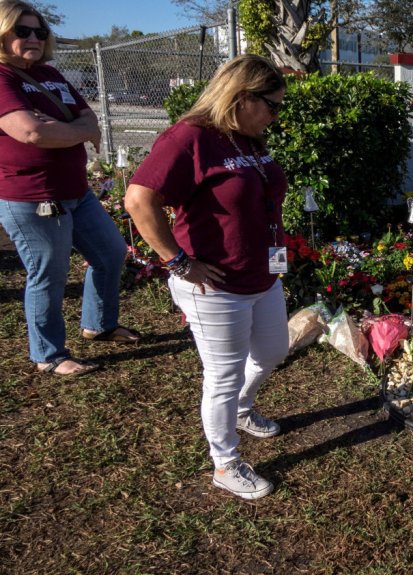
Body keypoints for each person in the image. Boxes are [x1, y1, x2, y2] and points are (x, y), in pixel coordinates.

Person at [125, 55, 288, 499]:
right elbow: (139, 200)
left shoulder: (247, 137)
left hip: (262, 274)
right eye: (272, 106)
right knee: (223, 374)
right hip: (213, 285)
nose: (276, 116)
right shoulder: (190, 138)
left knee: (275, 349)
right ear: (241, 97)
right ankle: (225, 463)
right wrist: (177, 261)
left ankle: (241, 409)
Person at [0, 0, 139, 377]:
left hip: (77, 191)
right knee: (49, 273)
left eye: (40, 32)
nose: (33, 38)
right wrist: (70, 132)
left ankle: (99, 325)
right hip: (33, 197)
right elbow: (30, 132)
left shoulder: (49, 74)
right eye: (22, 31)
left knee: (111, 253)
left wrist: (63, 130)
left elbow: (88, 116)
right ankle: (48, 353)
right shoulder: (2, 78)